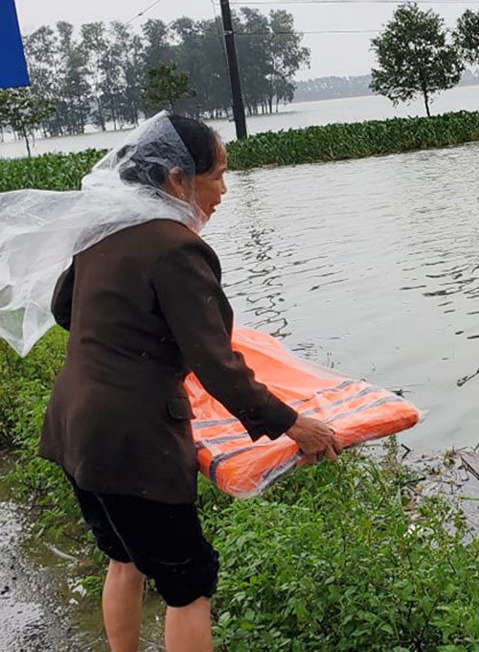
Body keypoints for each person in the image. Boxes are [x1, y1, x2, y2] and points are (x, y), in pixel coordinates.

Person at [35, 113, 342, 652]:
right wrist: (295, 425)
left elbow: (66, 311)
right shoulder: (177, 247)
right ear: (177, 178)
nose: (224, 189)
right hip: (132, 440)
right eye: (218, 174)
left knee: (124, 558)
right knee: (188, 586)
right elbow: (218, 365)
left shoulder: (102, 230)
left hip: (73, 425)